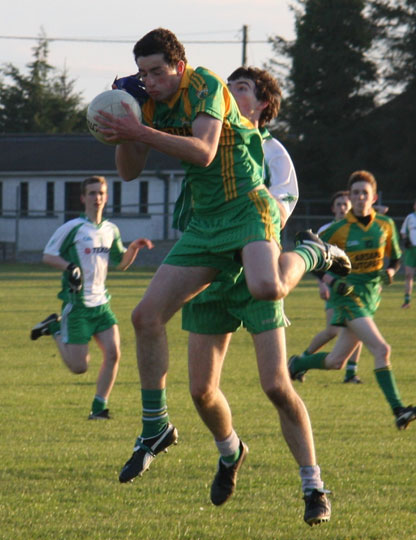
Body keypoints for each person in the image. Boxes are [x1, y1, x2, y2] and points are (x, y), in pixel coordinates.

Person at [95, 28, 350, 496]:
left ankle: (313, 251)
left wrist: (139, 130)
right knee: (145, 316)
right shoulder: (146, 101)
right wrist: (123, 124)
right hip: (204, 225)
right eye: (143, 73)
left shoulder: (207, 85)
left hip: (245, 208)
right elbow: (128, 173)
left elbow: (205, 151)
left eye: (157, 72)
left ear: (180, 65)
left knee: (267, 288)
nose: (149, 81)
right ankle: (156, 426)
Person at [175, 67, 329, 526]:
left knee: (276, 386)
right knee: (202, 391)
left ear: (263, 104)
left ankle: (313, 485)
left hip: (253, 271)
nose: (229, 93)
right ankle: (230, 451)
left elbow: (272, 211)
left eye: (240, 88)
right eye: (228, 87)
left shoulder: (272, 152)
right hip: (210, 271)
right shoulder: (207, 137)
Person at [288, 170, 416, 430]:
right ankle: (398, 410)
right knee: (382, 349)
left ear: (373, 197)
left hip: (372, 298)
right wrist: (329, 281)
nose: (360, 197)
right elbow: (307, 252)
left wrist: (392, 271)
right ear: (350, 197)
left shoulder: (385, 225)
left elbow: (395, 257)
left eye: (365, 193)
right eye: (355, 193)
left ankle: (297, 363)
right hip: (349, 298)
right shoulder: (339, 229)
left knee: (336, 362)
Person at [30, 175, 153, 419]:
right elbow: (48, 255)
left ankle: (99, 408)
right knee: (79, 367)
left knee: (114, 353)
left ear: (106, 198)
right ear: (83, 197)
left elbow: (120, 263)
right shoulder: (72, 227)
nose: (97, 198)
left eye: (101, 193)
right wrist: (70, 268)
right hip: (77, 306)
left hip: (102, 305)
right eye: (92, 193)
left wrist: (133, 249)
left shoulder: (110, 230)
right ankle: (54, 327)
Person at [303, 193, 390, 384]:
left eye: (345, 204)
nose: (343, 207)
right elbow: (316, 261)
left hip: (360, 293)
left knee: (351, 330)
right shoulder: (328, 230)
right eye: (339, 204)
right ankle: (302, 361)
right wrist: (324, 284)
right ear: (333, 208)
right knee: (333, 331)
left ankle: (349, 372)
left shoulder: (364, 228)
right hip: (337, 291)